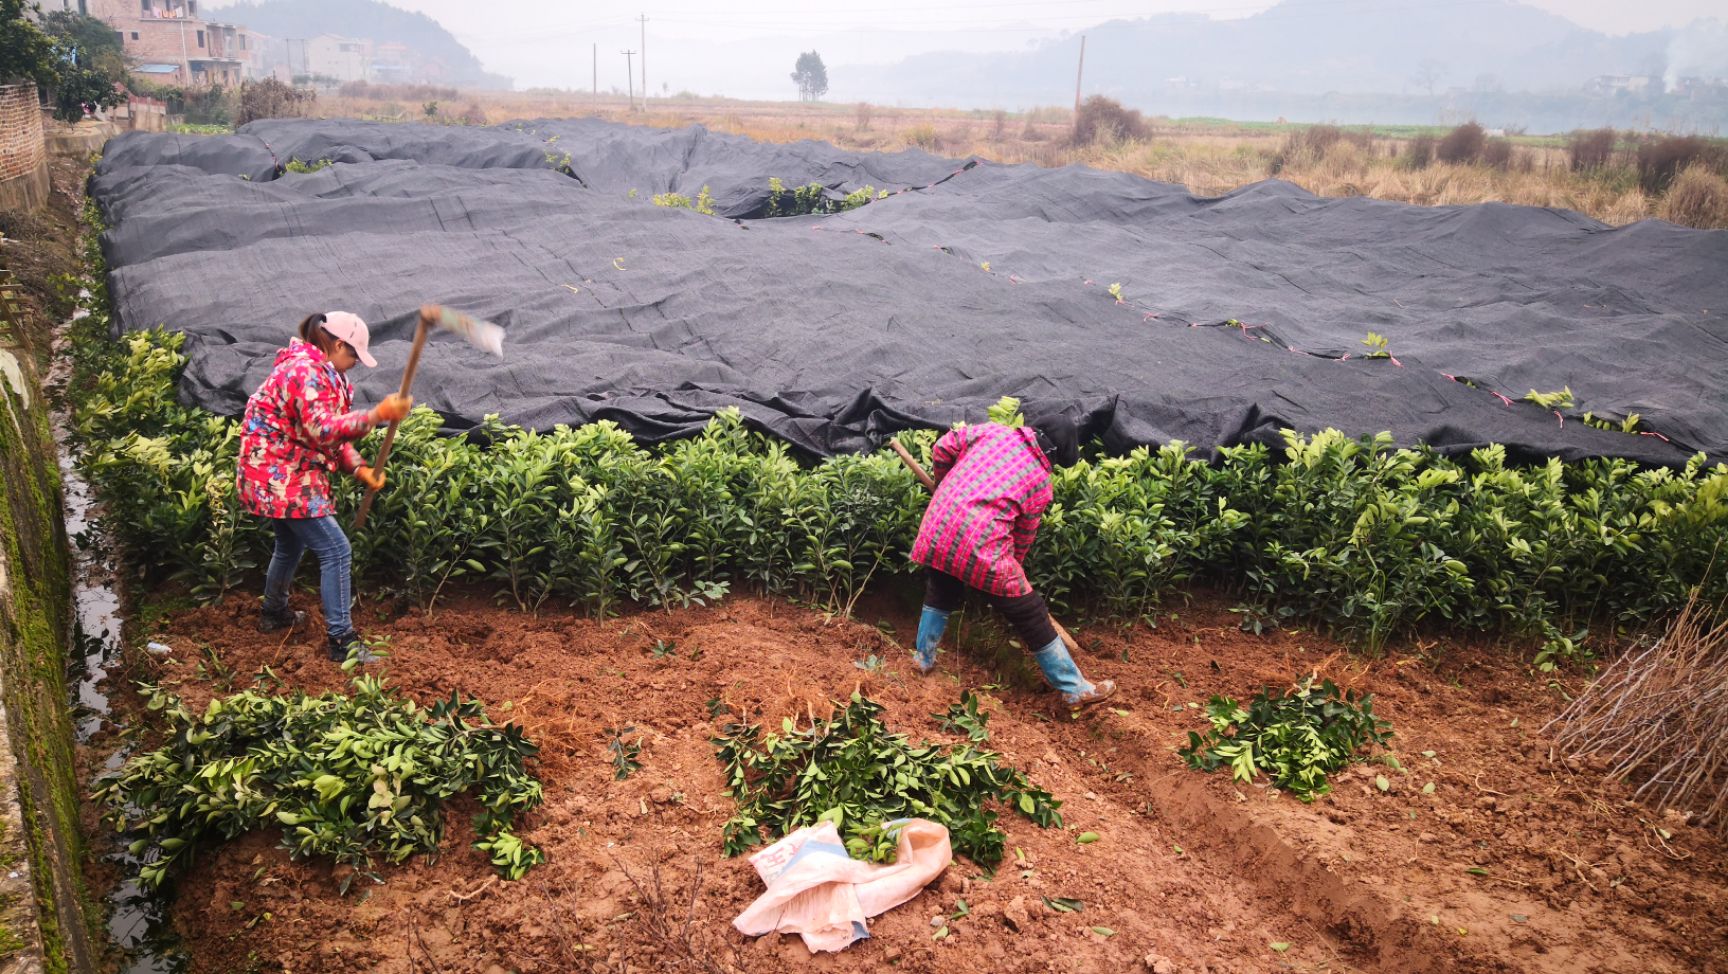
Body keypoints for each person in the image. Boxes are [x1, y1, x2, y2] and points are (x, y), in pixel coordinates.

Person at [236, 312, 412, 664]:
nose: (353, 366)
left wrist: (359, 467)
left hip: (274, 474)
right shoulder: (305, 372)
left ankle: (274, 614)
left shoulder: (318, 371)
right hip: (281, 477)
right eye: (353, 356)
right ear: (336, 344)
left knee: (289, 546)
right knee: (336, 550)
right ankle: (341, 642)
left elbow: (324, 435)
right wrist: (376, 414)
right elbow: (322, 429)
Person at [909, 418, 1116, 707]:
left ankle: (922, 658)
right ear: (1055, 457)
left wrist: (946, 485)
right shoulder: (1040, 483)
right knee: (1029, 611)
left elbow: (942, 448)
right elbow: (1021, 538)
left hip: (938, 526)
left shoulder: (991, 431)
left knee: (942, 589)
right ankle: (1073, 688)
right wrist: (1011, 575)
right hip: (982, 546)